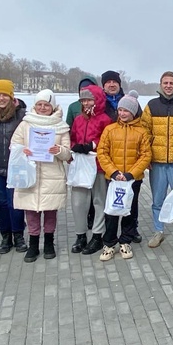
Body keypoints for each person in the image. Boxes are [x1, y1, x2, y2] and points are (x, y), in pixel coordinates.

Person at [11, 90, 71, 262]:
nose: (43, 108)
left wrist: (58, 150)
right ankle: (33, 244)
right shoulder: (26, 124)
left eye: (46, 105)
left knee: (50, 212)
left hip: (52, 175)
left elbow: (68, 154)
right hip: (30, 174)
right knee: (31, 212)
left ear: (52, 107)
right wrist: (24, 150)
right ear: (35, 106)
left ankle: (49, 243)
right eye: (39, 104)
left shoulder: (60, 126)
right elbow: (14, 145)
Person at [98, 91, 151, 261]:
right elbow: (102, 152)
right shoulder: (110, 129)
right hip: (113, 179)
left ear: (133, 112)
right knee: (112, 211)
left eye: (126, 110)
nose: (122, 113)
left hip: (131, 179)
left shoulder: (141, 132)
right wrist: (113, 172)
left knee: (130, 209)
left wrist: (131, 174)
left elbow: (145, 155)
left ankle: (125, 240)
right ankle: (109, 242)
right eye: (120, 110)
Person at [141, 71, 173, 248]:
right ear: (160, 84)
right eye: (165, 83)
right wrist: (147, 156)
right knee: (158, 200)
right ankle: (158, 231)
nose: (168, 86)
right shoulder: (151, 106)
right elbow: (144, 132)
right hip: (158, 163)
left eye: (172, 83)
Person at [0, 80, 27, 254]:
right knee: (0, 202)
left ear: (11, 97)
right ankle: (5, 236)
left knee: (15, 203)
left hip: (16, 167)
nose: (1, 98)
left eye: (5, 95)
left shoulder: (21, 115)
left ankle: (18, 235)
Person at [68, 83, 112, 255]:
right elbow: (70, 138)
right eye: (83, 100)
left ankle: (97, 235)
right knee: (79, 202)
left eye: (89, 100)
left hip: (98, 165)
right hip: (80, 165)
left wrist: (93, 145)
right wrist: (75, 146)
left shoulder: (105, 119)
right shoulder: (78, 119)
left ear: (98, 100)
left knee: (99, 201)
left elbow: (108, 141)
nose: (86, 103)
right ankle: (80, 235)